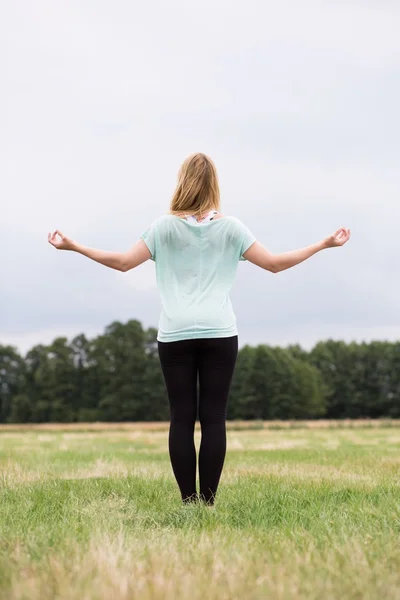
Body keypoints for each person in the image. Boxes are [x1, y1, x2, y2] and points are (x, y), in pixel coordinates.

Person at [48, 152, 350, 506]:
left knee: (181, 418)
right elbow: (275, 264)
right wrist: (323, 244)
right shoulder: (232, 228)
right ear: (214, 186)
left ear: (182, 183)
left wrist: (73, 246)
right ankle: (207, 503)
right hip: (219, 332)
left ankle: (188, 502)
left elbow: (124, 263)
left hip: (175, 333)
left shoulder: (162, 227)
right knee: (213, 418)